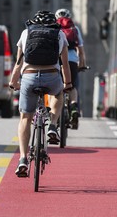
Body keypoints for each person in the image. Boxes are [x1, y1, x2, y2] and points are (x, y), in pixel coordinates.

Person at [9, 10, 72, 177]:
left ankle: (23, 159)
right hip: (51, 76)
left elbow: (18, 63)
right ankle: (52, 125)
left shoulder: (25, 33)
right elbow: (65, 65)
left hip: (29, 77)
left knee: (25, 118)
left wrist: (13, 82)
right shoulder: (60, 34)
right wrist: (68, 84)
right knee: (58, 94)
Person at [55, 8, 87, 129]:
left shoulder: (54, 28)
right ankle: (73, 106)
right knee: (72, 86)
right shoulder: (75, 29)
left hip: (57, 60)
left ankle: (55, 112)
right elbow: (81, 50)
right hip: (72, 60)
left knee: (57, 87)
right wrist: (82, 64)